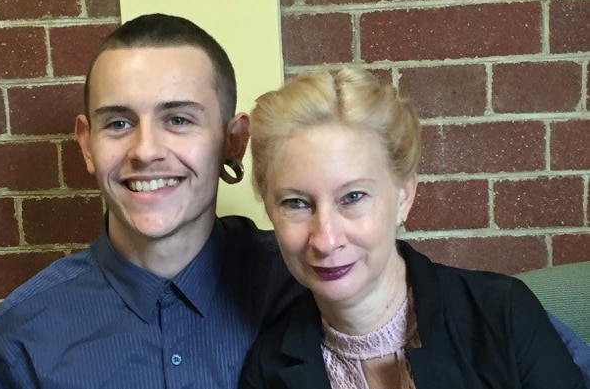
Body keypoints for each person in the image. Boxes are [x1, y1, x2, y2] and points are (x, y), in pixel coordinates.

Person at [0, 14, 300, 388]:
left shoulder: (303, 286)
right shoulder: (20, 338)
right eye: (118, 124)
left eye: (177, 119)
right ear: (86, 145)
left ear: (233, 142)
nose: (145, 151)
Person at [239, 67, 585, 388]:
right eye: (296, 203)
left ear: (404, 196)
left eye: (353, 197)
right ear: (269, 208)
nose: (326, 240)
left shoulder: (502, 314)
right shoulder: (266, 369)